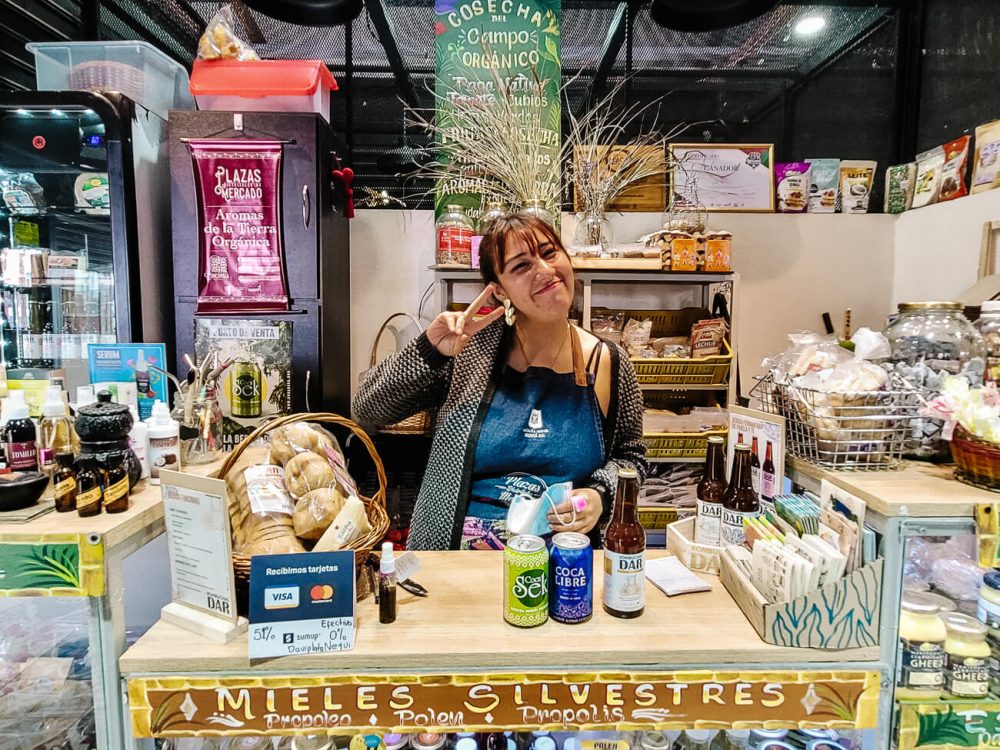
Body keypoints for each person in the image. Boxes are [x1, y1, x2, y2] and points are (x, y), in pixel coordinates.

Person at [353, 213, 646, 550]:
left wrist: (600, 494)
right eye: (521, 266)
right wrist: (431, 351)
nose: (545, 270)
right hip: (458, 562)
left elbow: (631, 459)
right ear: (499, 291)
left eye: (550, 253)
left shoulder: (608, 361)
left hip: (566, 563)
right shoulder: (468, 354)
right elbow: (368, 408)